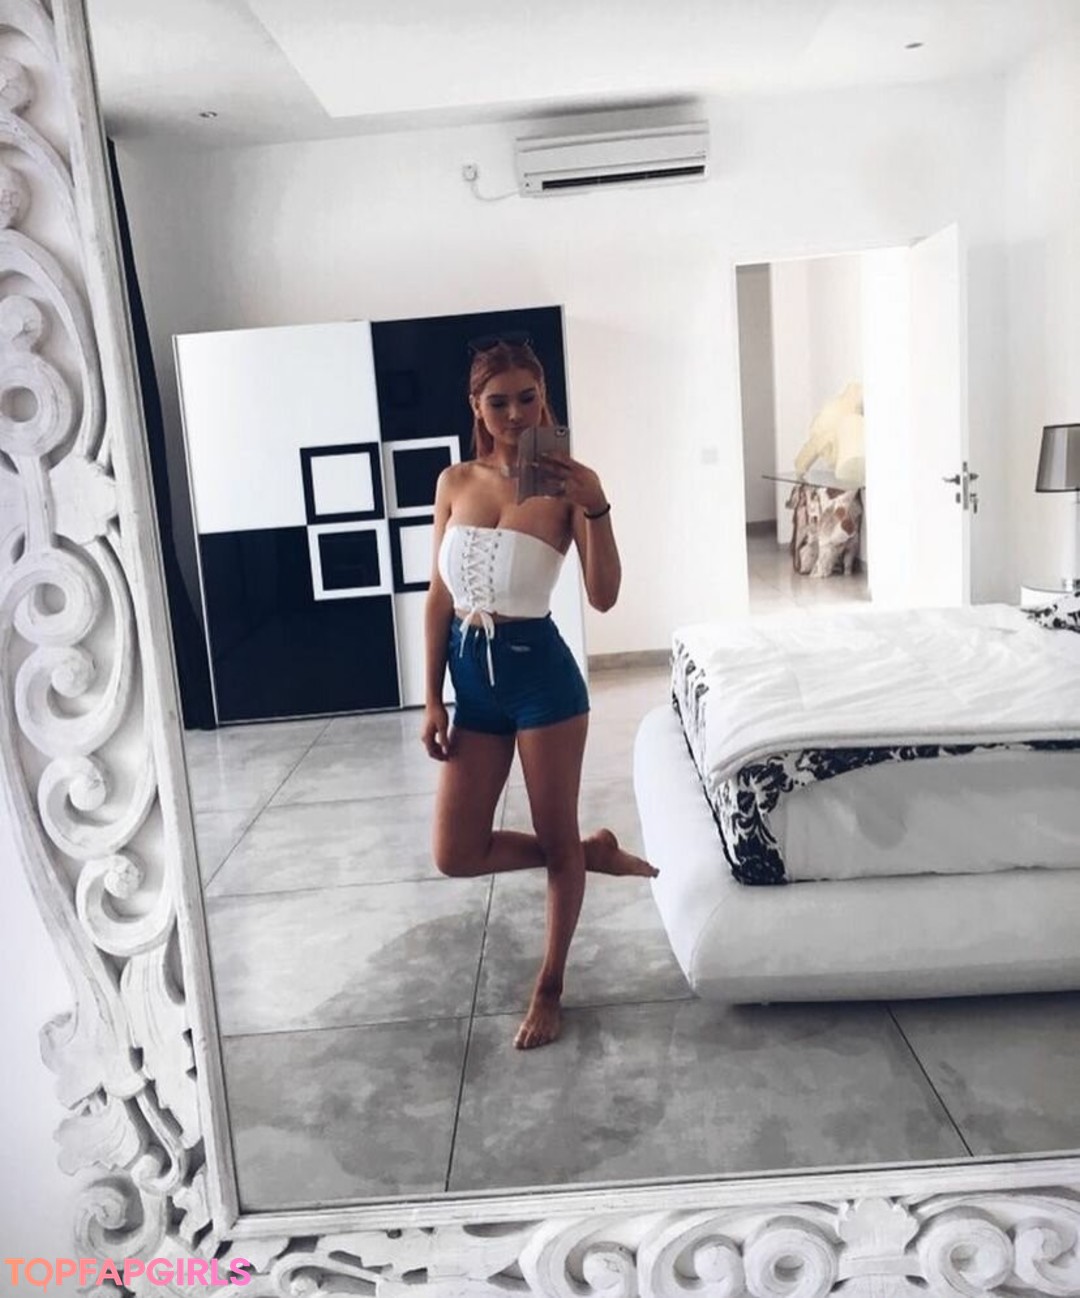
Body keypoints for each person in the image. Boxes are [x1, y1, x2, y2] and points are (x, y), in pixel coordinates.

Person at [422, 337, 656, 1051]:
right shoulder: (454, 482)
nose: (516, 414)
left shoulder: (566, 487)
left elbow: (604, 597)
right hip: (472, 684)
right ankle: (588, 853)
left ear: (543, 394)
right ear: (476, 406)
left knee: (554, 838)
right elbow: (439, 597)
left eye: (528, 397)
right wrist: (432, 698)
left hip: (542, 682)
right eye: (498, 402)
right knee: (455, 853)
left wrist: (598, 506)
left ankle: (550, 985)